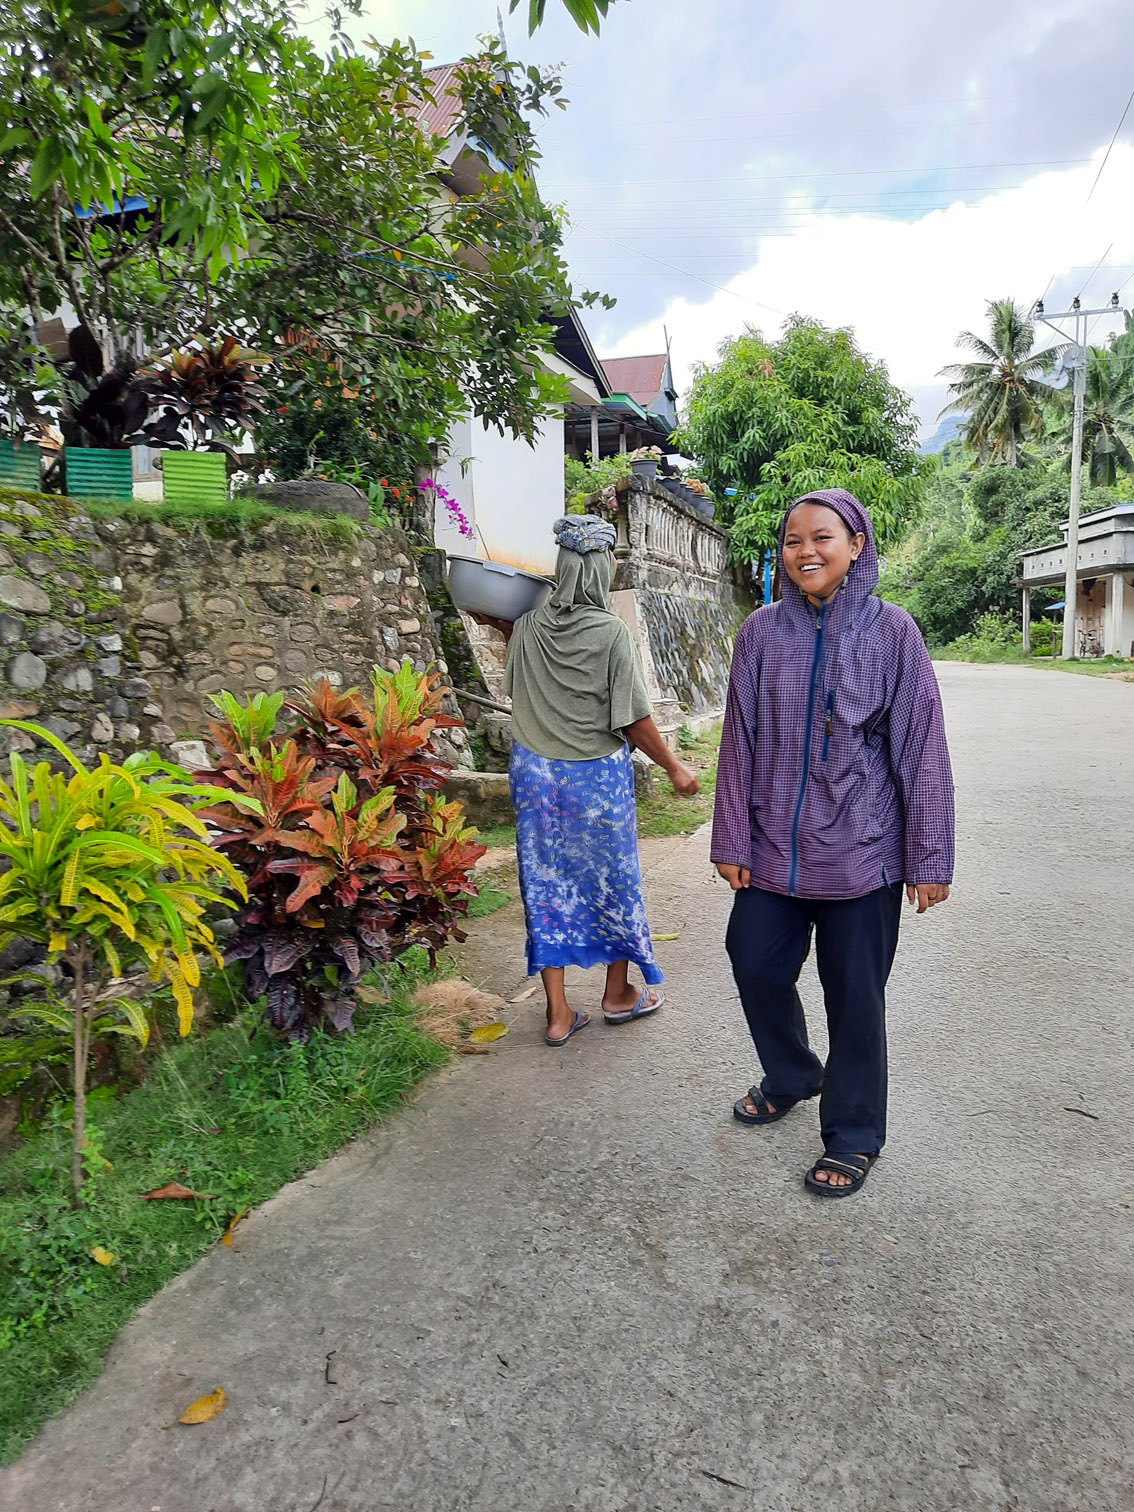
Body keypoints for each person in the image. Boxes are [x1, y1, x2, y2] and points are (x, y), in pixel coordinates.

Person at [711, 488, 954, 1197]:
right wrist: (731, 838)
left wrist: (929, 857)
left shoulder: (892, 631)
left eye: (822, 537)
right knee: (753, 960)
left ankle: (853, 1134)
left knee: (855, 998)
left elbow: (922, 749)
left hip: (863, 852)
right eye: (793, 541)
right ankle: (792, 1073)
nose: (806, 551)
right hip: (773, 850)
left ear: (856, 545)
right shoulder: (760, 632)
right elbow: (739, 741)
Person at [473, 514, 699, 1047]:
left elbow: (517, 683)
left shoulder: (528, 625)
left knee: (545, 884)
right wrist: (674, 766)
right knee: (611, 881)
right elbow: (632, 718)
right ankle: (617, 995)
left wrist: (502, 622)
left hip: (535, 776)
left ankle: (557, 1015)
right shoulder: (611, 632)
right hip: (594, 780)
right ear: (600, 570)